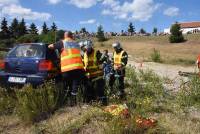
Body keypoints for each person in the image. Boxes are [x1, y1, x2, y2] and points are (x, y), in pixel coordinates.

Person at [48, 31, 85, 106]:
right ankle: (74, 102)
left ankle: (66, 102)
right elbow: (82, 54)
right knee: (75, 86)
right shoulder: (76, 44)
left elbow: (50, 46)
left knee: (67, 85)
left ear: (65, 36)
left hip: (67, 69)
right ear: (72, 36)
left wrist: (59, 49)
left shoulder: (63, 42)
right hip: (78, 68)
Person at [83, 40, 107, 105]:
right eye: (86, 48)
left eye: (89, 48)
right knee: (90, 90)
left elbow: (105, 59)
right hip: (90, 76)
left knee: (100, 90)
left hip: (98, 75)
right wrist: (85, 73)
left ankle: (103, 104)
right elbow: (84, 65)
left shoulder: (96, 53)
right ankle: (92, 103)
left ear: (91, 47)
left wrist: (103, 65)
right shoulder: (84, 54)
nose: (87, 49)